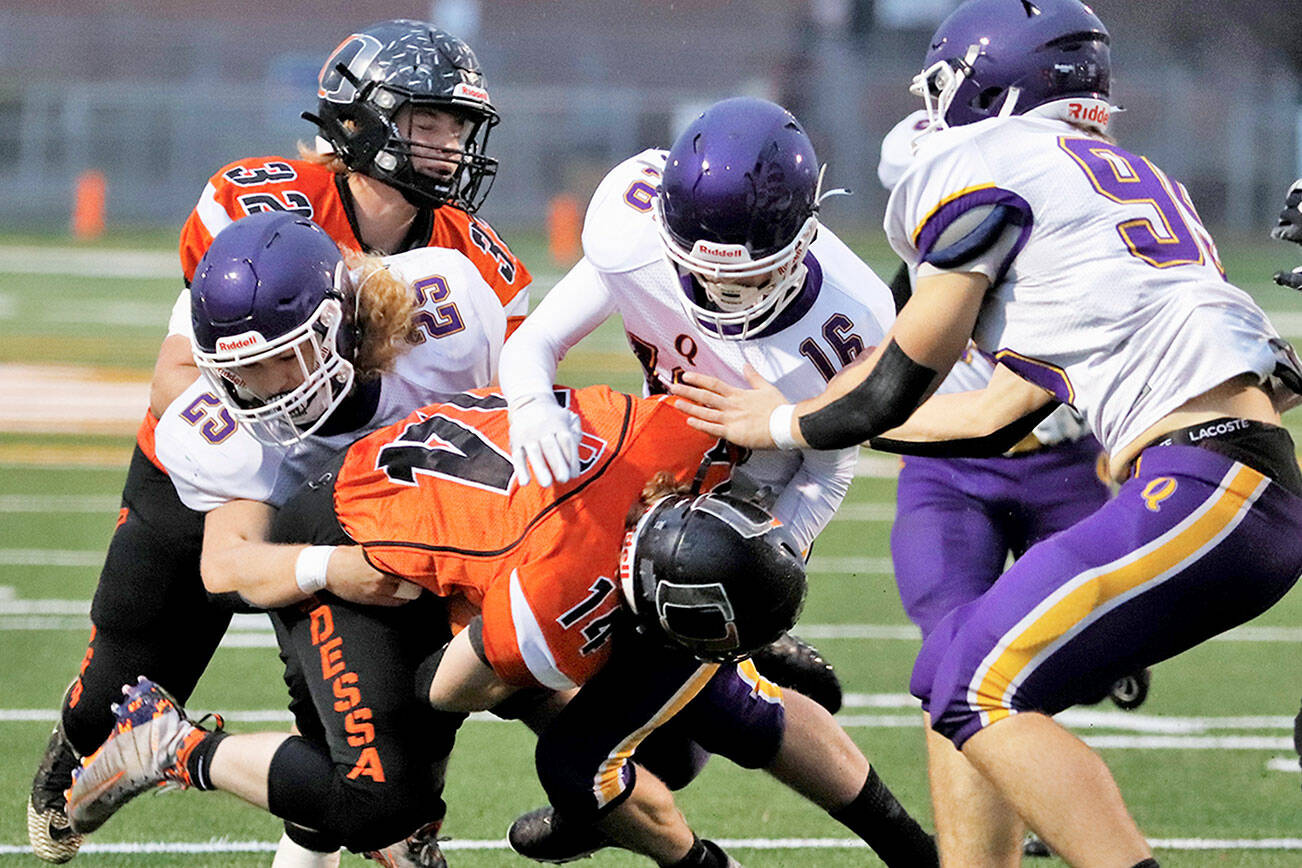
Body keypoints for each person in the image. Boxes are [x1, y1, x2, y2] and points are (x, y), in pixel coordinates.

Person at [669, 1, 1302, 865]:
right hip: (1222, 479)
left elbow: (895, 384)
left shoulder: (984, 161)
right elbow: (995, 412)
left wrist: (779, 420)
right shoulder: (1119, 182)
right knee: (951, 674)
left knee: (977, 685)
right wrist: (834, 429)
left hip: (1206, 480)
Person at [28, 18, 528, 866]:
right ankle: (81, 749)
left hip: (349, 488)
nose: (449, 145)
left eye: (456, 126)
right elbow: (177, 375)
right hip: (215, 463)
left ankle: (389, 822)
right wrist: (251, 457)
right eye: (427, 122)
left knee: (373, 711)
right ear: (361, 121)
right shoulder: (257, 208)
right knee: (119, 688)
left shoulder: (476, 269)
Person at [69, 381, 939, 868]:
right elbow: (446, 684)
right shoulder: (556, 607)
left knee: (704, 714)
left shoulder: (678, 436)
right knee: (380, 798)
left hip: (505, 524)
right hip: (348, 538)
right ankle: (170, 744)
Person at [500, 96, 898, 719]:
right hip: (662, 456)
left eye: (748, 279)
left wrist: (766, 562)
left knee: (681, 720)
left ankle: (749, 672)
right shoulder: (627, 230)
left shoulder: (855, 321)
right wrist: (531, 409)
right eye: (699, 272)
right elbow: (536, 341)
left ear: (802, 238)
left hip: (757, 491)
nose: (720, 294)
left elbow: (827, 469)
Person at [877, 107, 1153, 865]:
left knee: (1061, 649)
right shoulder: (917, 262)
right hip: (948, 471)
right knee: (952, 651)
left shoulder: (1067, 232)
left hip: (1066, 459)